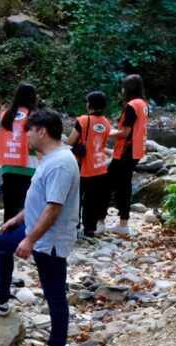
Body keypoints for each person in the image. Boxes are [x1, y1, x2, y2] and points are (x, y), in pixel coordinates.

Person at [0, 109, 80, 346]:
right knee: (3, 241)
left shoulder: (60, 164)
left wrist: (30, 239)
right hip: (33, 226)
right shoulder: (49, 157)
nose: (26, 136)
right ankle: (1, 295)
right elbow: (39, 199)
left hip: (50, 238)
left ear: (42, 132)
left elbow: (53, 207)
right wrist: (17, 219)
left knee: (54, 293)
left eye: (29, 131)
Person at [106, 74, 149, 236]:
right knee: (124, 185)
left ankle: (100, 222)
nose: (122, 89)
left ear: (129, 88)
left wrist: (107, 133)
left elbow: (125, 133)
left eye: (124, 86)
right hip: (137, 150)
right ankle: (123, 224)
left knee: (106, 185)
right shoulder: (143, 104)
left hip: (126, 150)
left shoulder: (131, 106)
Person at [66, 91, 112, 238]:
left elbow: (70, 141)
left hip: (83, 166)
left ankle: (74, 227)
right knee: (93, 199)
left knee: (76, 198)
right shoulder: (106, 123)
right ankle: (90, 229)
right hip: (100, 166)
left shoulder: (83, 120)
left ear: (90, 104)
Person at [0, 83, 38, 223]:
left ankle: (7, 235)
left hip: (8, 165)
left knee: (9, 205)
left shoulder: (6, 115)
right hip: (29, 167)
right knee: (26, 205)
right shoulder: (35, 116)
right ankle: (22, 236)